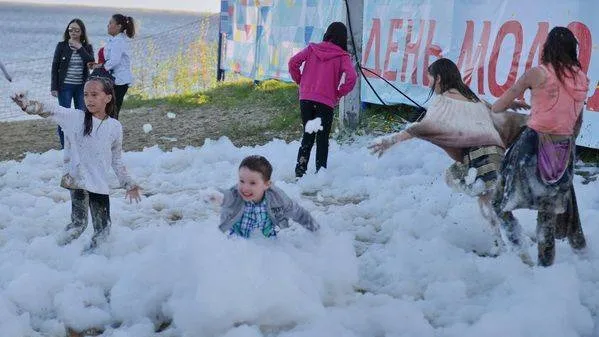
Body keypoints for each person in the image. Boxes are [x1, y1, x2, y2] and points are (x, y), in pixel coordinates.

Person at [369, 58, 529, 259]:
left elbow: (423, 127)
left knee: (475, 191)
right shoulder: (471, 97)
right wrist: (511, 104)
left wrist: (392, 140)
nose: (429, 84)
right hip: (496, 154)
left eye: (430, 79)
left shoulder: (444, 100)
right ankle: (511, 247)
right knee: (490, 200)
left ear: (439, 78)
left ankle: (510, 248)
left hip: (479, 158)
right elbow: (494, 110)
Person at [491, 26, 588, 267]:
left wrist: (516, 100)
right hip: (563, 150)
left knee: (498, 200)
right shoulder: (582, 79)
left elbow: (497, 107)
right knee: (548, 214)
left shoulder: (537, 73)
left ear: (548, 48)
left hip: (532, 147)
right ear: (573, 50)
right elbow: (577, 124)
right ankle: (547, 271)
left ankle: (517, 250)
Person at [11, 75, 141, 251]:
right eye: (86, 94)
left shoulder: (115, 127)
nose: (89, 99)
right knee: (78, 225)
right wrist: (26, 104)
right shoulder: (75, 117)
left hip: (99, 184)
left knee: (103, 229)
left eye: (94, 95)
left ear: (108, 97)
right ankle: (54, 252)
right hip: (78, 180)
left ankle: (93, 261)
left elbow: (116, 160)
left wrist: (129, 184)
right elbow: (50, 109)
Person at [288, 22, 358, 177]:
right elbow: (352, 77)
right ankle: (320, 174)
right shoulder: (342, 56)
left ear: (327, 33)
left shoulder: (312, 49)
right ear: (343, 38)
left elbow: (293, 62)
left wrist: (301, 81)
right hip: (326, 101)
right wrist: (339, 93)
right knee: (322, 138)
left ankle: (300, 171)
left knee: (308, 135)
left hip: (306, 98)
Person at [220, 155, 319, 238]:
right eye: (242, 181)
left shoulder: (276, 197)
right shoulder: (234, 195)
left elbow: (295, 211)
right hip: (238, 240)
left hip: (267, 241)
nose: (245, 188)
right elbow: (224, 201)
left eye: (252, 183)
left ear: (266, 184)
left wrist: (316, 230)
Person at [51, 18, 94, 149]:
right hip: (64, 87)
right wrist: (54, 87)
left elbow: (91, 63)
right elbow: (54, 67)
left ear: (81, 32)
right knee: (63, 117)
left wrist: (80, 48)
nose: (73, 32)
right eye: (71, 29)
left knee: (81, 117)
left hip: (81, 87)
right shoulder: (61, 46)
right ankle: (65, 147)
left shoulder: (87, 47)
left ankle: (80, 145)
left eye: (76, 30)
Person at [95, 13, 136, 119]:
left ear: (118, 26)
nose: (107, 25)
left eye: (110, 23)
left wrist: (101, 68)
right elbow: (110, 59)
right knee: (109, 111)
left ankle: (114, 134)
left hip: (119, 81)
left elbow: (114, 61)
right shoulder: (114, 40)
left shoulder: (119, 41)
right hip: (114, 80)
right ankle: (109, 133)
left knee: (112, 112)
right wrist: (99, 65)